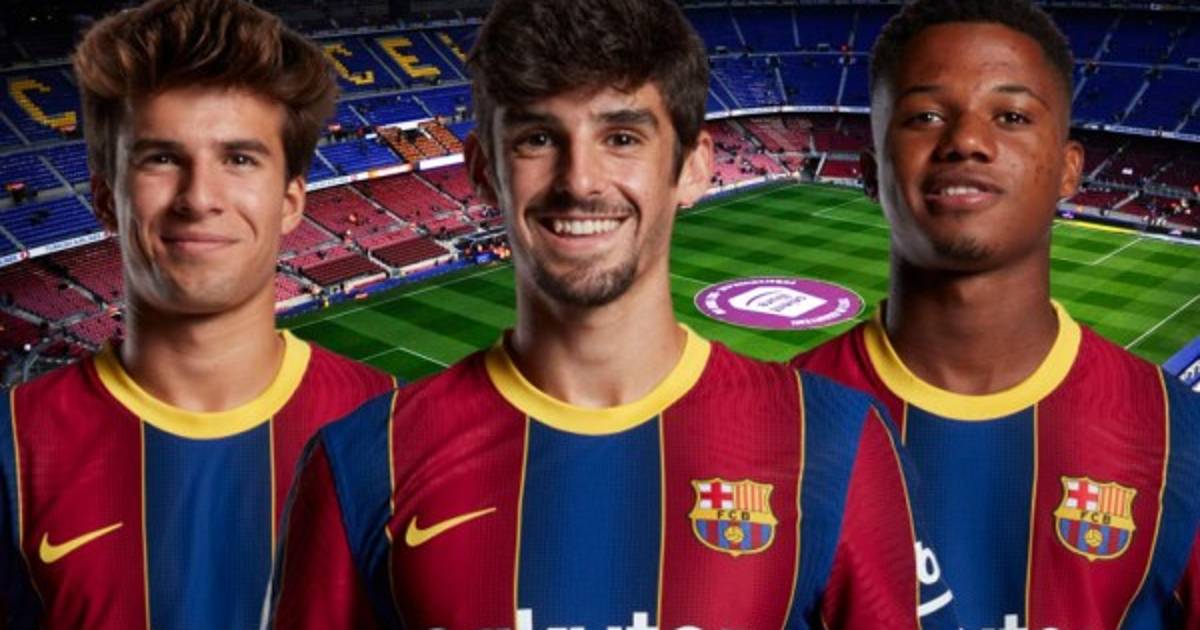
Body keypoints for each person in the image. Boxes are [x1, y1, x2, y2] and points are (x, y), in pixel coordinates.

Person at [266, 0, 956, 628]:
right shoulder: (361, 463)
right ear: (483, 169)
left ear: (694, 167)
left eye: (622, 137)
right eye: (537, 138)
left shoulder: (836, 443)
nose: (581, 180)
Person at [791, 1, 1200, 627]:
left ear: (1069, 170)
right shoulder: (770, 427)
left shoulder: (1181, 437)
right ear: (870, 171)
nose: (966, 142)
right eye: (925, 116)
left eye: (1011, 116)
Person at [0, 0, 395, 626]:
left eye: (239, 159)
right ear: (105, 198)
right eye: (160, 158)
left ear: (291, 200)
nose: (199, 198)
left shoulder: (397, 429)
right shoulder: (12, 448)